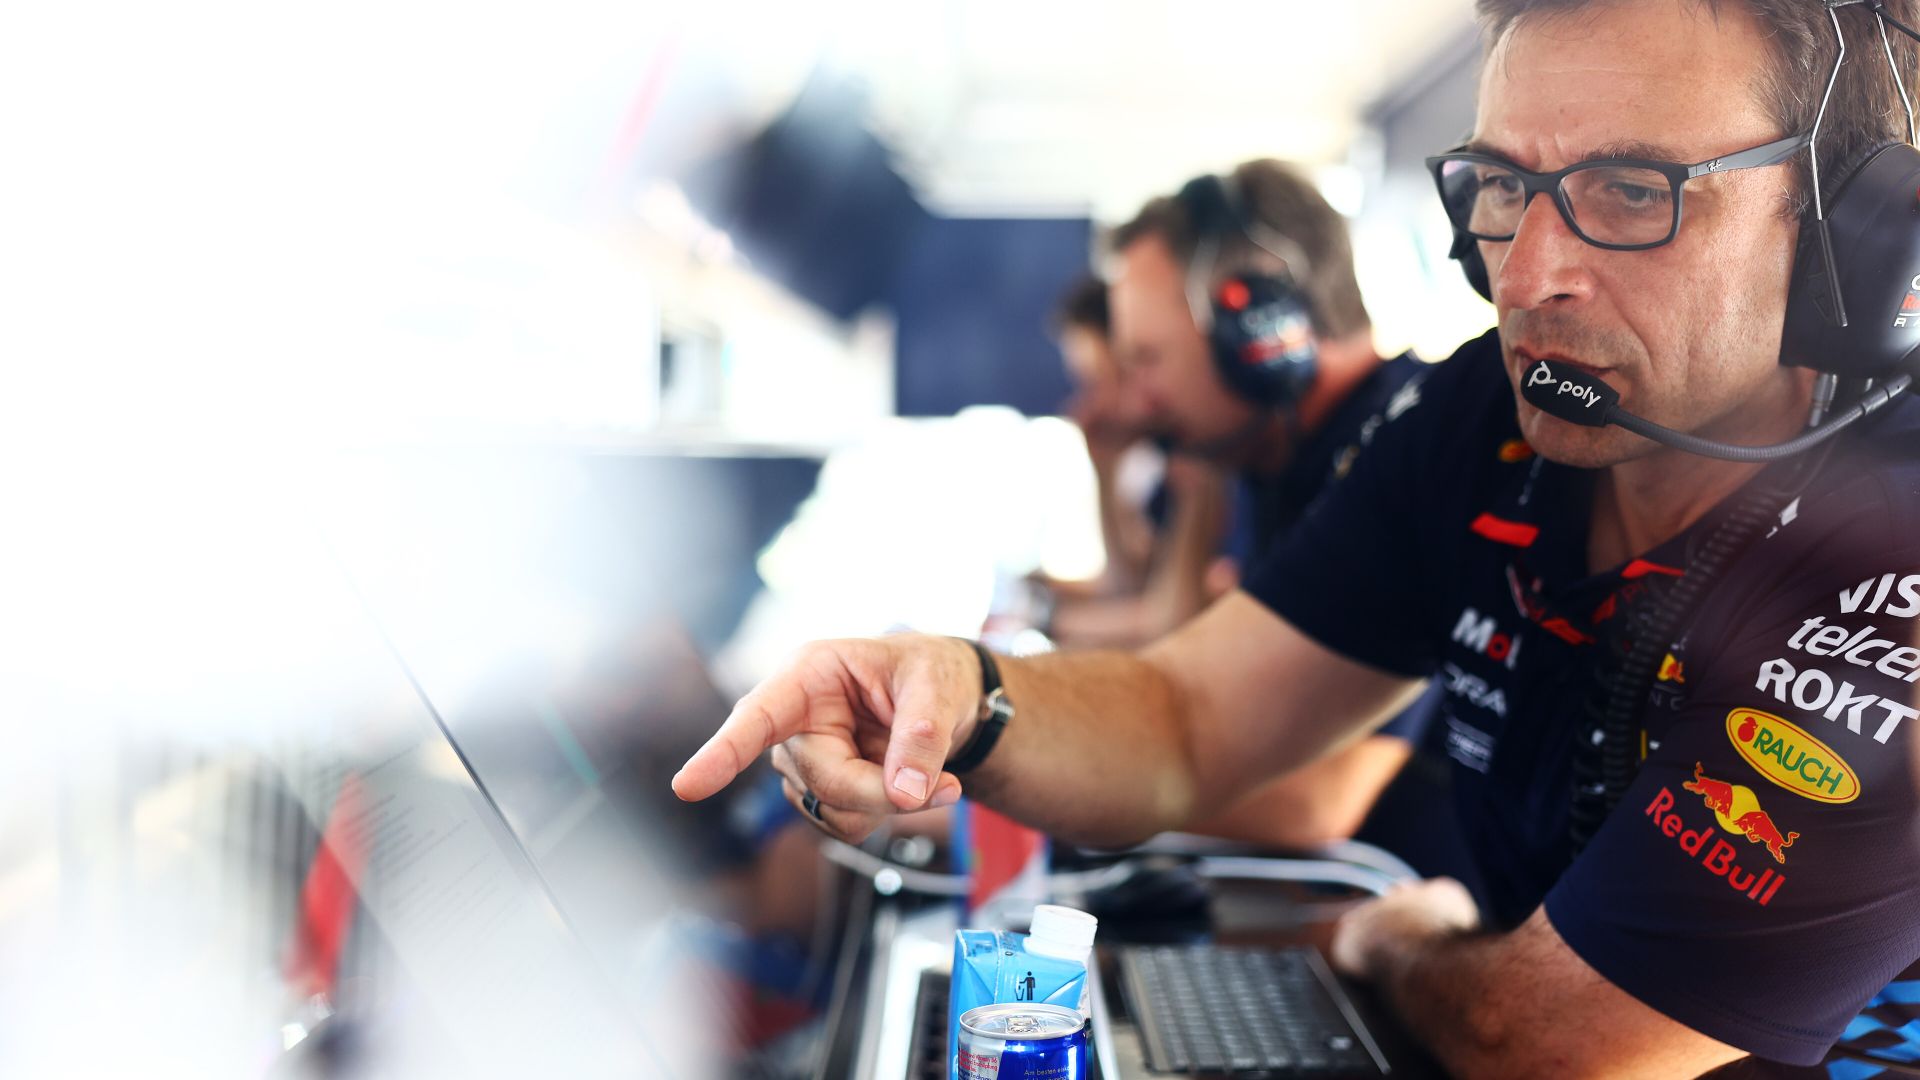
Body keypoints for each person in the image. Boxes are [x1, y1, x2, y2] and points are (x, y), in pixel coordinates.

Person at [674, 0, 1920, 1073]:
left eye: (1629, 192)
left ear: (1850, 245)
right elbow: (1187, 719)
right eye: (1501, 189)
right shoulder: (1479, 417)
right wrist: (963, 690)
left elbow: (1558, 1048)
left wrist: (1398, 943)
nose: (1530, 272)